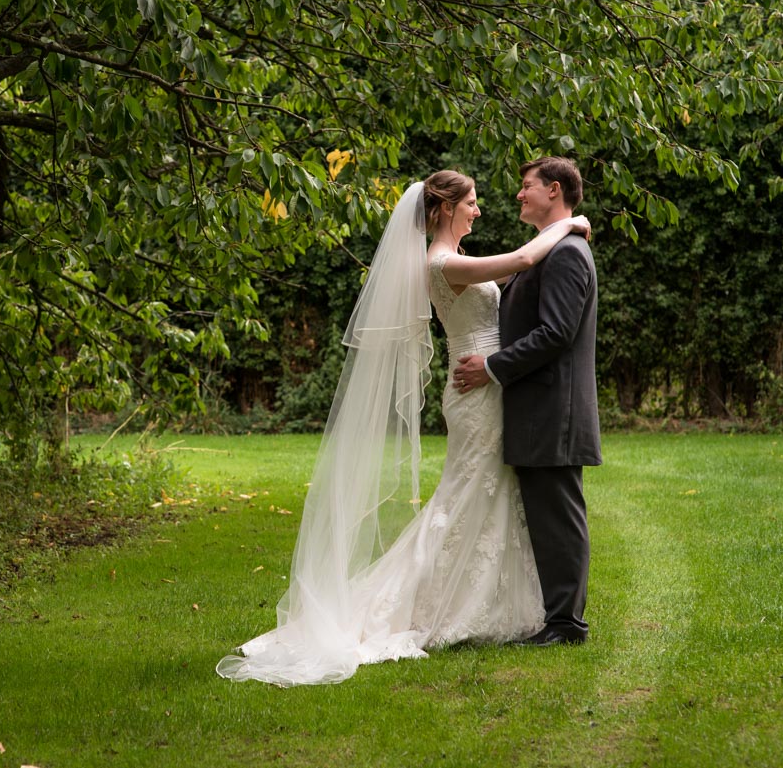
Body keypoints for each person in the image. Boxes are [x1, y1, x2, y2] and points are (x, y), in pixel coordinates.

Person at [216, 171, 590, 686]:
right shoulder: (443, 262)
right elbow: (525, 260)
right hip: (477, 390)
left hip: (486, 385)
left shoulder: (454, 262)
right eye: (472, 203)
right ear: (444, 210)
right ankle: (439, 604)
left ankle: (505, 602)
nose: (479, 211)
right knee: (464, 495)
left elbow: (511, 280)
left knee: (484, 493)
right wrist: (576, 223)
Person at [453, 156, 601, 647]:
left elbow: (556, 333)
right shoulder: (550, 249)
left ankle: (566, 625)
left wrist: (493, 368)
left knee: (559, 516)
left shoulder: (566, 254)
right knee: (547, 513)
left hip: (552, 408)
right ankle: (557, 617)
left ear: (554, 190)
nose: (518, 195)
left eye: (526, 186)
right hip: (539, 407)